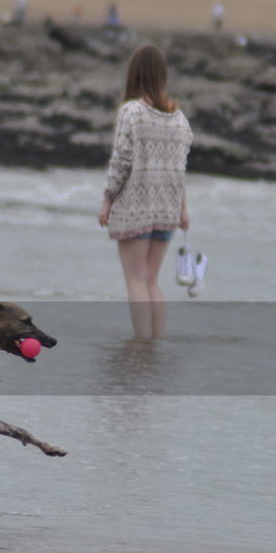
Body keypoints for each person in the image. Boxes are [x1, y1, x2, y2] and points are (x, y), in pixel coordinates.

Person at [99, 45, 193, 340]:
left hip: (137, 207)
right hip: (167, 210)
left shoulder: (132, 112)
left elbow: (121, 160)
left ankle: (141, 343)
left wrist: (107, 199)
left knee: (136, 280)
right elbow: (180, 170)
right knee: (152, 281)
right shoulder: (179, 118)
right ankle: (157, 342)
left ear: (135, 73)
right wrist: (183, 210)